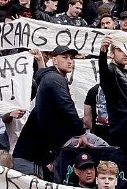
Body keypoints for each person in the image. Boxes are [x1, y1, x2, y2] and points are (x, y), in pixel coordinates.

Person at [13, 46, 84, 178]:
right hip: (30, 159)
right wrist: (81, 133)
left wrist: (40, 61)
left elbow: (41, 75)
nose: (69, 61)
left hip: (35, 157)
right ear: (54, 60)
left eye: (71, 58)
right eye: (65, 57)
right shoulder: (54, 79)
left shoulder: (48, 77)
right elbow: (67, 105)